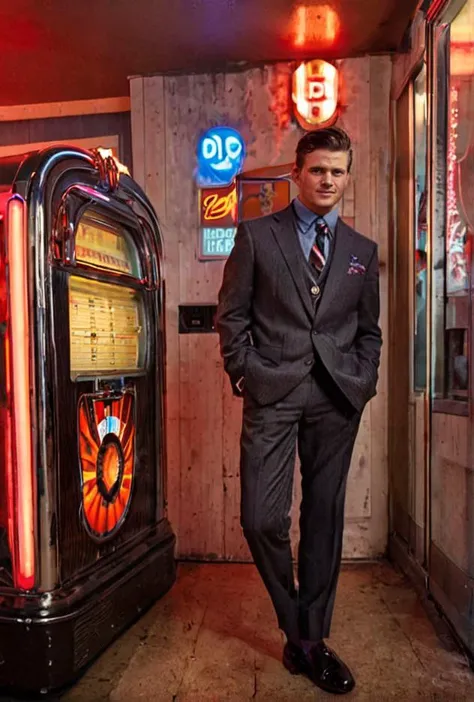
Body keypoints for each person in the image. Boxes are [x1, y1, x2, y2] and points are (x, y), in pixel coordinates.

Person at [215, 127, 382, 695]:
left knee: (323, 520)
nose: (327, 180)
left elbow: (369, 332)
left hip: (337, 398)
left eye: (337, 171)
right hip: (273, 392)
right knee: (261, 519)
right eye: (317, 170)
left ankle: (309, 641)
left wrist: (363, 382)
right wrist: (244, 372)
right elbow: (231, 317)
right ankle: (296, 623)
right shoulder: (258, 236)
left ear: (346, 176)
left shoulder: (362, 252)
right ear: (296, 173)